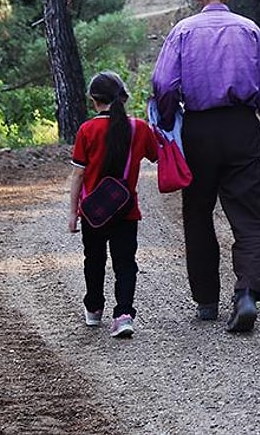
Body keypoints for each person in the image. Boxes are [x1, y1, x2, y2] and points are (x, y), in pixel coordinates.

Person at [151, 0, 260, 333]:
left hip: (198, 131)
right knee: (248, 217)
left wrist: (168, 123)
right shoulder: (249, 31)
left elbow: (163, 85)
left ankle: (206, 302)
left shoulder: (181, 31)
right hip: (242, 129)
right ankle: (245, 293)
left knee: (197, 215)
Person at [69, 71, 158, 338]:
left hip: (93, 212)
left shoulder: (87, 130)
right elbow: (156, 157)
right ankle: (123, 315)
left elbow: (78, 174)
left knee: (93, 260)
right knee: (125, 263)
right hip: (126, 210)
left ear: (93, 100)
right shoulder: (139, 128)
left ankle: (94, 309)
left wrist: (73, 213)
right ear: (123, 97)